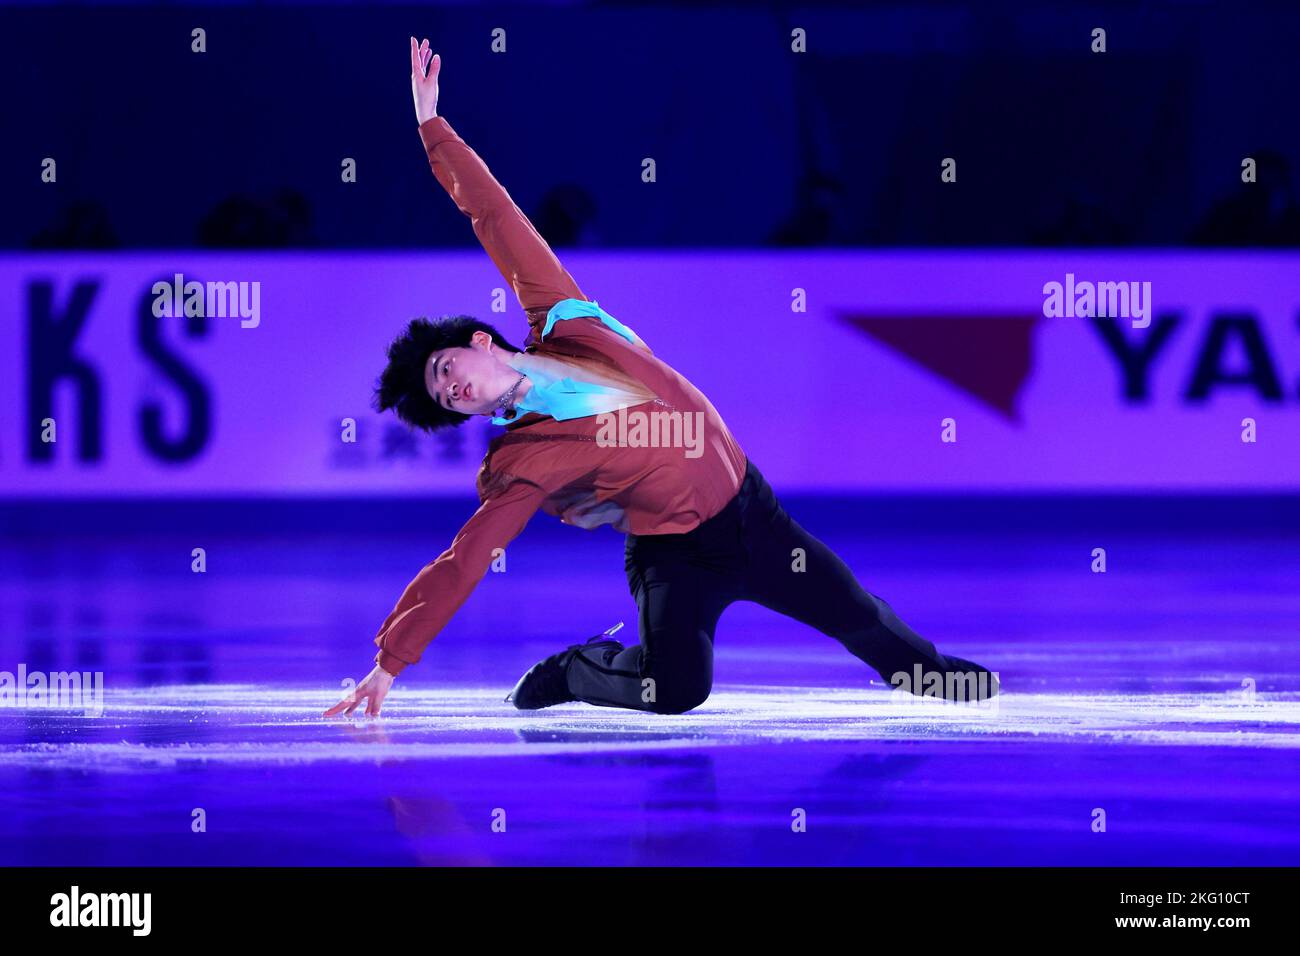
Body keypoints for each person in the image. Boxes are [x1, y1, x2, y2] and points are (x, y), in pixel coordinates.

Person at [324, 39, 999, 718]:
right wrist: (391, 661)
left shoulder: (563, 319)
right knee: (674, 689)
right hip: (672, 554)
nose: (455, 389)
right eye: (447, 400)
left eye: (446, 370)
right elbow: (463, 560)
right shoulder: (519, 463)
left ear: (477, 340)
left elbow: (495, 216)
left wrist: (432, 129)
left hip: (749, 511)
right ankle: (574, 671)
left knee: (858, 614)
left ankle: (930, 674)